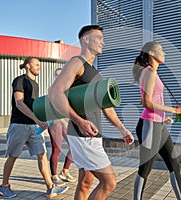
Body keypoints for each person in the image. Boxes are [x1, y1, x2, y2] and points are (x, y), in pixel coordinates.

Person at [49, 25, 134, 200]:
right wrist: (80, 121)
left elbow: (106, 107)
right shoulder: (76, 62)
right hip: (83, 133)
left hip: (92, 133)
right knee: (109, 182)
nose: (103, 42)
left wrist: (122, 128)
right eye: (99, 38)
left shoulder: (95, 72)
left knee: (86, 182)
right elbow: (55, 92)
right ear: (86, 39)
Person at [0, 57, 69, 199]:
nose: (39, 67)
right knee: (13, 156)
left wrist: (41, 118)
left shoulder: (35, 84)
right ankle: (4, 186)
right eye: (36, 64)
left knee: (42, 154)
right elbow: (19, 103)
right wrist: (35, 118)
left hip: (33, 126)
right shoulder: (19, 80)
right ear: (28, 66)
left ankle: (50, 187)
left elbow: (33, 106)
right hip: (19, 125)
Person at [132, 41, 181, 200]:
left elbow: (156, 100)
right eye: (161, 50)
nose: (164, 53)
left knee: (174, 165)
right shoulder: (149, 72)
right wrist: (173, 110)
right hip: (149, 124)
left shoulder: (153, 72)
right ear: (152, 54)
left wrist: (165, 116)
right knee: (145, 169)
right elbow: (146, 102)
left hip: (159, 124)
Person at [48, 68, 75, 186]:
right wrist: (63, 121)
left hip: (65, 122)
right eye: (57, 75)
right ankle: (54, 176)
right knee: (57, 149)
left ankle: (65, 171)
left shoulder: (66, 89)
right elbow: (53, 108)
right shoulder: (52, 89)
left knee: (74, 146)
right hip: (55, 122)